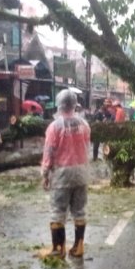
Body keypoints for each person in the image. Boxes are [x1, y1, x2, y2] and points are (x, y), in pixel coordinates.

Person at [41, 88, 92, 258]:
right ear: (75, 105)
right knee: (79, 211)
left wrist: (45, 174)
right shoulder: (84, 125)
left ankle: (58, 249)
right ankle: (79, 247)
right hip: (82, 172)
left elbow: (49, 152)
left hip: (62, 174)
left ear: (59, 105)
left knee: (58, 210)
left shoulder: (54, 127)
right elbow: (87, 147)